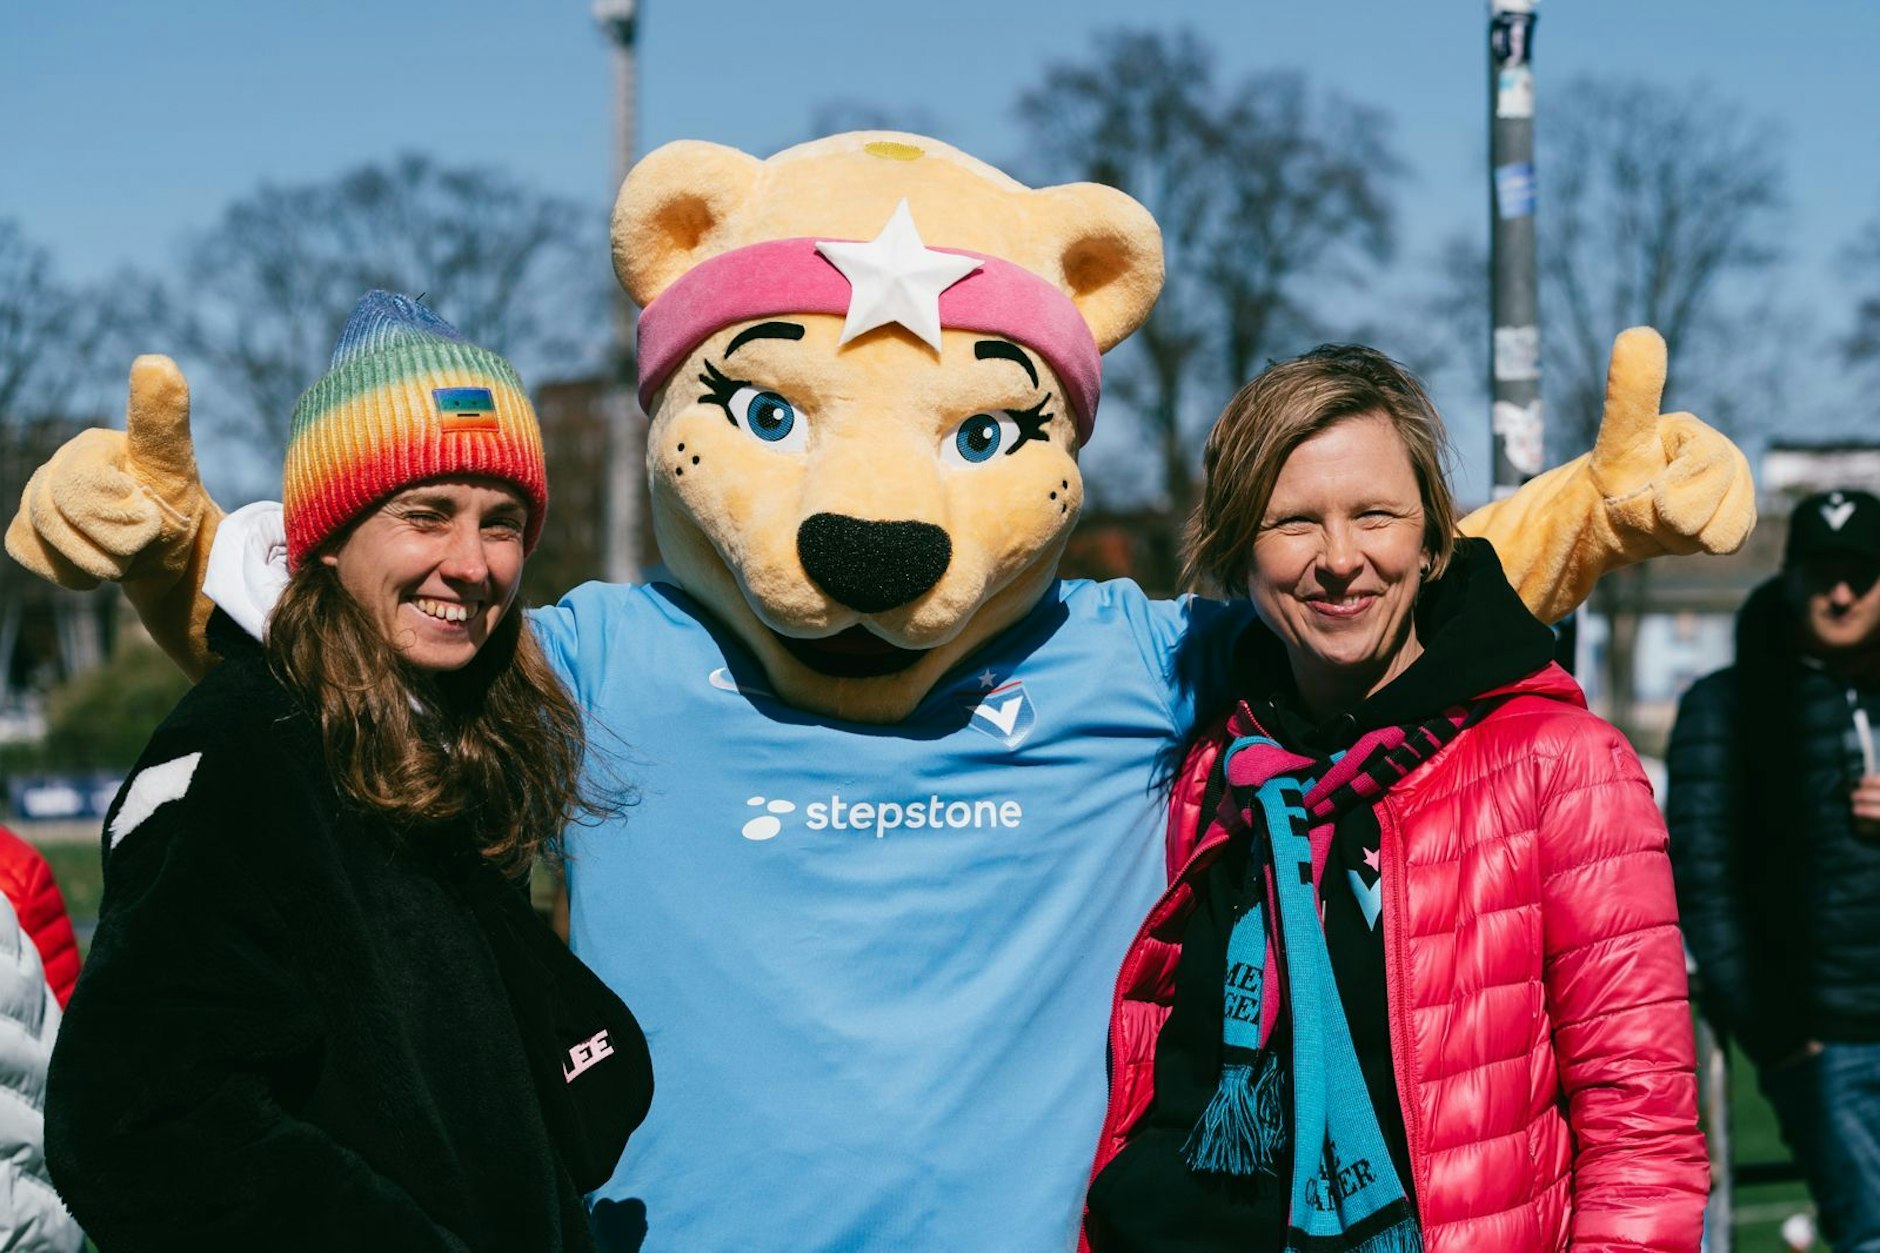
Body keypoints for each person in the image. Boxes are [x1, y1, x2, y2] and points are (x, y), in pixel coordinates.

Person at [43, 292, 651, 1251]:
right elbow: (136, 1123)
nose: (472, 562)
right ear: (326, 534)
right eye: (426, 514)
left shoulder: (435, 744)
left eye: (501, 523)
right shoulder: (244, 748)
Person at [1085, 345, 1707, 1252]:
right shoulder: (1214, 764)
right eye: (1293, 522)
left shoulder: (1560, 765)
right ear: (1235, 548)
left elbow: (1641, 1130)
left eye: (1375, 514)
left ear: (1432, 537)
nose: (1341, 559)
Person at [1667, 487, 1880, 1253]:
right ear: (1788, 578)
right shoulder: (1726, 708)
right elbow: (1701, 876)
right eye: (1824, 572)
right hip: (1823, 1043)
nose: (1842, 591)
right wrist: (1783, 1035)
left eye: (1861, 571)